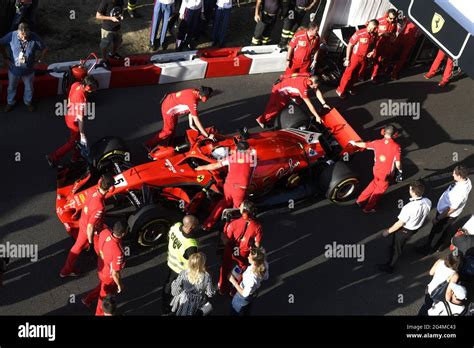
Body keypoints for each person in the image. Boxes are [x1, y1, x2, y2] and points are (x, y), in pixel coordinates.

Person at [59, 175, 115, 277]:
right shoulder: (99, 207)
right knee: (100, 248)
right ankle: (107, 270)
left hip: (83, 222)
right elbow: (90, 226)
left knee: (78, 246)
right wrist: (90, 241)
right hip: (92, 230)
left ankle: (66, 271)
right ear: (111, 189)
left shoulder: (91, 191)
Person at [196, 140, 256, 230]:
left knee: (224, 202)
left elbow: (215, 166)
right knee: (237, 211)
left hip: (228, 186)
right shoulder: (252, 160)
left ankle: (207, 224)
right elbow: (251, 174)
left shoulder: (231, 158)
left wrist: (201, 167)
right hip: (240, 190)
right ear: (247, 149)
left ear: (237, 149)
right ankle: (229, 229)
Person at [378, 180, 431, 273]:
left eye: (410, 189)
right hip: (415, 227)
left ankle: (390, 266)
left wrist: (388, 231)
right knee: (400, 242)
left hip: (405, 230)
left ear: (413, 192)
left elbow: (400, 223)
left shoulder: (408, 207)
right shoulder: (427, 201)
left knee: (397, 247)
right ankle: (396, 248)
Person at [46, 75, 99, 168]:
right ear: (87, 87)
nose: (95, 90)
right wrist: (83, 134)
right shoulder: (81, 99)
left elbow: (70, 97)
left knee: (77, 140)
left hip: (69, 114)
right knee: (73, 142)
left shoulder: (76, 84)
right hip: (74, 122)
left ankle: (75, 157)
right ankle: (53, 157)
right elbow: (80, 118)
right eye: (94, 89)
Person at [419, 165, 472, 254]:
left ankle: (429, 249)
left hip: (446, 215)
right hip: (448, 214)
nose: (452, 174)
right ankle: (440, 245)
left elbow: (451, 209)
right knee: (444, 230)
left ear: (459, 176)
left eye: (454, 173)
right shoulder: (467, 181)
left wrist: (438, 218)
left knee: (436, 232)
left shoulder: (459, 192)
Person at [350, 125, 402, 213]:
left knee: (374, 183)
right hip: (386, 175)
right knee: (378, 191)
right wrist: (400, 171)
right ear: (394, 135)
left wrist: (354, 143)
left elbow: (364, 145)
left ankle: (360, 200)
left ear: (383, 132)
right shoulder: (396, 147)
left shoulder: (376, 142)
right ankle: (368, 208)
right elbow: (398, 164)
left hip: (376, 171)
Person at [144, 86, 214, 150]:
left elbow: (191, 111)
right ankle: (148, 144)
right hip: (169, 110)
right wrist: (207, 135)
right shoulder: (193, 101)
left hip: (169, 102)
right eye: (209, 96)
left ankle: (170, 144)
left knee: (173, 128)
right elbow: (197, 120)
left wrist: (191, 124)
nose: (209, 98)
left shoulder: (195, 92)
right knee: (167, 131)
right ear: (204, 97)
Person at [0, 22, 47, 112]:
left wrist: (39, 60)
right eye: (22, 35)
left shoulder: (34, 36)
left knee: (29, 88)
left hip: (29, 71)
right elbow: (0, 43)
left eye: (26, 35)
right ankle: (10, 103)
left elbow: (45, 49)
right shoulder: (11, 35)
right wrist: (5, 57)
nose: (24, 38)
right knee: (11, 87)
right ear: (18, 32)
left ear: (30, 32)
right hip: (14, 70)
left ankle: (28, 102)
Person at [218, 200, 263, 295]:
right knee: (241, 270)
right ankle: (234, 291)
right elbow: (257, 244)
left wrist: (222, 233)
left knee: (225, 268)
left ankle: (223, 289)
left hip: (231, 251)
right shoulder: (258, 226)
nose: (239, 207)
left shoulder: (233, 223)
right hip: (245, 253)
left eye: (241, 206)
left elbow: (226, 240)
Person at [82, 221, 126, 316]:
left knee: (102, 287)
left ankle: (87, 299)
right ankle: (99, 313)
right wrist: (119, 284)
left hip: (101, 267)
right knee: (104, 297)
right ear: (123, 234)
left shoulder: (105, 232)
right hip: (109, 276)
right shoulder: (118, 252)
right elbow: (115, 273)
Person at [255, 74, 329, 128]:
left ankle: (269, 118)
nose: (315, 87)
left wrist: (324, 104)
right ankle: (261, 119)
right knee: (277, 108)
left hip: (285, 87)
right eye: (314, 86)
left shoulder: (307, 75)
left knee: (296, 101)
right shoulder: (302, 88)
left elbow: (317, 90)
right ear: (310, 82)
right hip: (280, 91)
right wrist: (317, 116)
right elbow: (309, 104)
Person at [162, 215, 199, 314]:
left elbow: (169, 236)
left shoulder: (176, 226)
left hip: (171, 262)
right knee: (178, 290)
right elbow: (193, 264)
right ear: (191, 228)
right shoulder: (191, 244)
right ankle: (172, 308)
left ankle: (165, 303)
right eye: (195, 226)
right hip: (180, 270)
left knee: (168, 284)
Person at [335, 19, 378, 99]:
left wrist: (372, 52)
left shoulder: (374, 35)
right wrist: (347, 59)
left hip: (364, 58)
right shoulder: (359, 33)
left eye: (373, 28)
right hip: (355, 57)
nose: (371, 30)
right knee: (348, 74)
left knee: (357, 74)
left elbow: (374, 45)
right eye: (370, 28)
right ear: (368, 24)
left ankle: (349, 87)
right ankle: (340, 90)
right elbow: (350, 45)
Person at [229, 247, 269, 315]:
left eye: (249, 256)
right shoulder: (264, 264)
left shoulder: (251, 276)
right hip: (254, 292)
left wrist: (233, 281)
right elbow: (266, 277)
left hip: (243, 296)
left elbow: (244, 294)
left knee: (234, 309)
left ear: (255, 261)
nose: (247, 257)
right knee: (247, 308)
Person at [370, 9, 398, 82]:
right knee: (375, 59)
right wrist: (381, 34)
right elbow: (370, 30)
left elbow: (394, 32)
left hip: (387, 44)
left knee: (383, 59)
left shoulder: (394, 23)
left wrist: (392, 38)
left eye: (394, 18)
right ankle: (373, 76)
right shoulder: (379, 21)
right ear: (387, 15)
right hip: (378, 43)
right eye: (390, 18)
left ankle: (378, 73)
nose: (392, 20)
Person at [96, 0, 124, 68]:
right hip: (107, 29)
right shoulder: (105, 2)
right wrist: (111, 18)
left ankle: (113, 54)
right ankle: (104, 60)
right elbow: (98, 16)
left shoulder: (121, 1)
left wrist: (121, 15)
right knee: (104, 46)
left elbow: (120, 10)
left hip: (117, 27)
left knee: (118, 42)